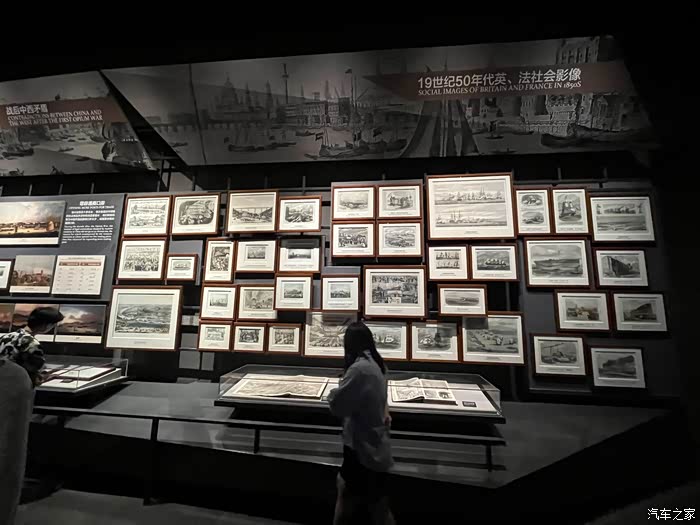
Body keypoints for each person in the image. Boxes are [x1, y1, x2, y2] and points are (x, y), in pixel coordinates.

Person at [0, 306, 63, 525]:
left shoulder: (7, 336)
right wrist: (45, 377)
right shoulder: (33, 344)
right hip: (18, 396)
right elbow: (34, 376)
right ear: (46, 326)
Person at [328, 321, 395, 525]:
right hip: (375, 445)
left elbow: (337, 405)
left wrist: (333, 392)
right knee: (373, 502)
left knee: (364, 501)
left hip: (361, 448)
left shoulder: (359, 369)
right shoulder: (376, 364)